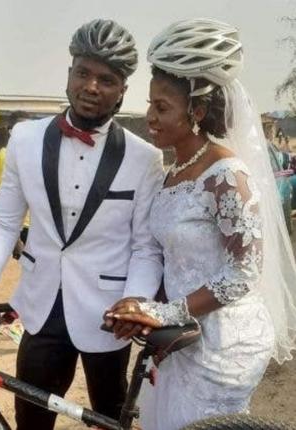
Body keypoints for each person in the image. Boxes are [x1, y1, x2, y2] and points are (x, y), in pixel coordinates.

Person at [0, 19, 165, 429]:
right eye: (83, 73)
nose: (92, 86)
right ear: (69, 72)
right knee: (31, 419)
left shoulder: (144, 158)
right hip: (39, 310)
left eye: (106, 79)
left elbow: (145, 246)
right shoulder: (24, 138)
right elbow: (4, 224)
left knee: (108, 418)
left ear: (122, 90)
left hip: (109, 316)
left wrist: (136, 300)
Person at [104, 19, 296, 429]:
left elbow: (243, 272)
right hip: (181, 339)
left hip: (225, 345)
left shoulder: (226, 175)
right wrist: (140, 306)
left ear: (198, 111)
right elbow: (159, 250)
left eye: (162, 107)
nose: (149, 116)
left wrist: (165, 312)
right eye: (150, 103)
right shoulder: (171, 171)